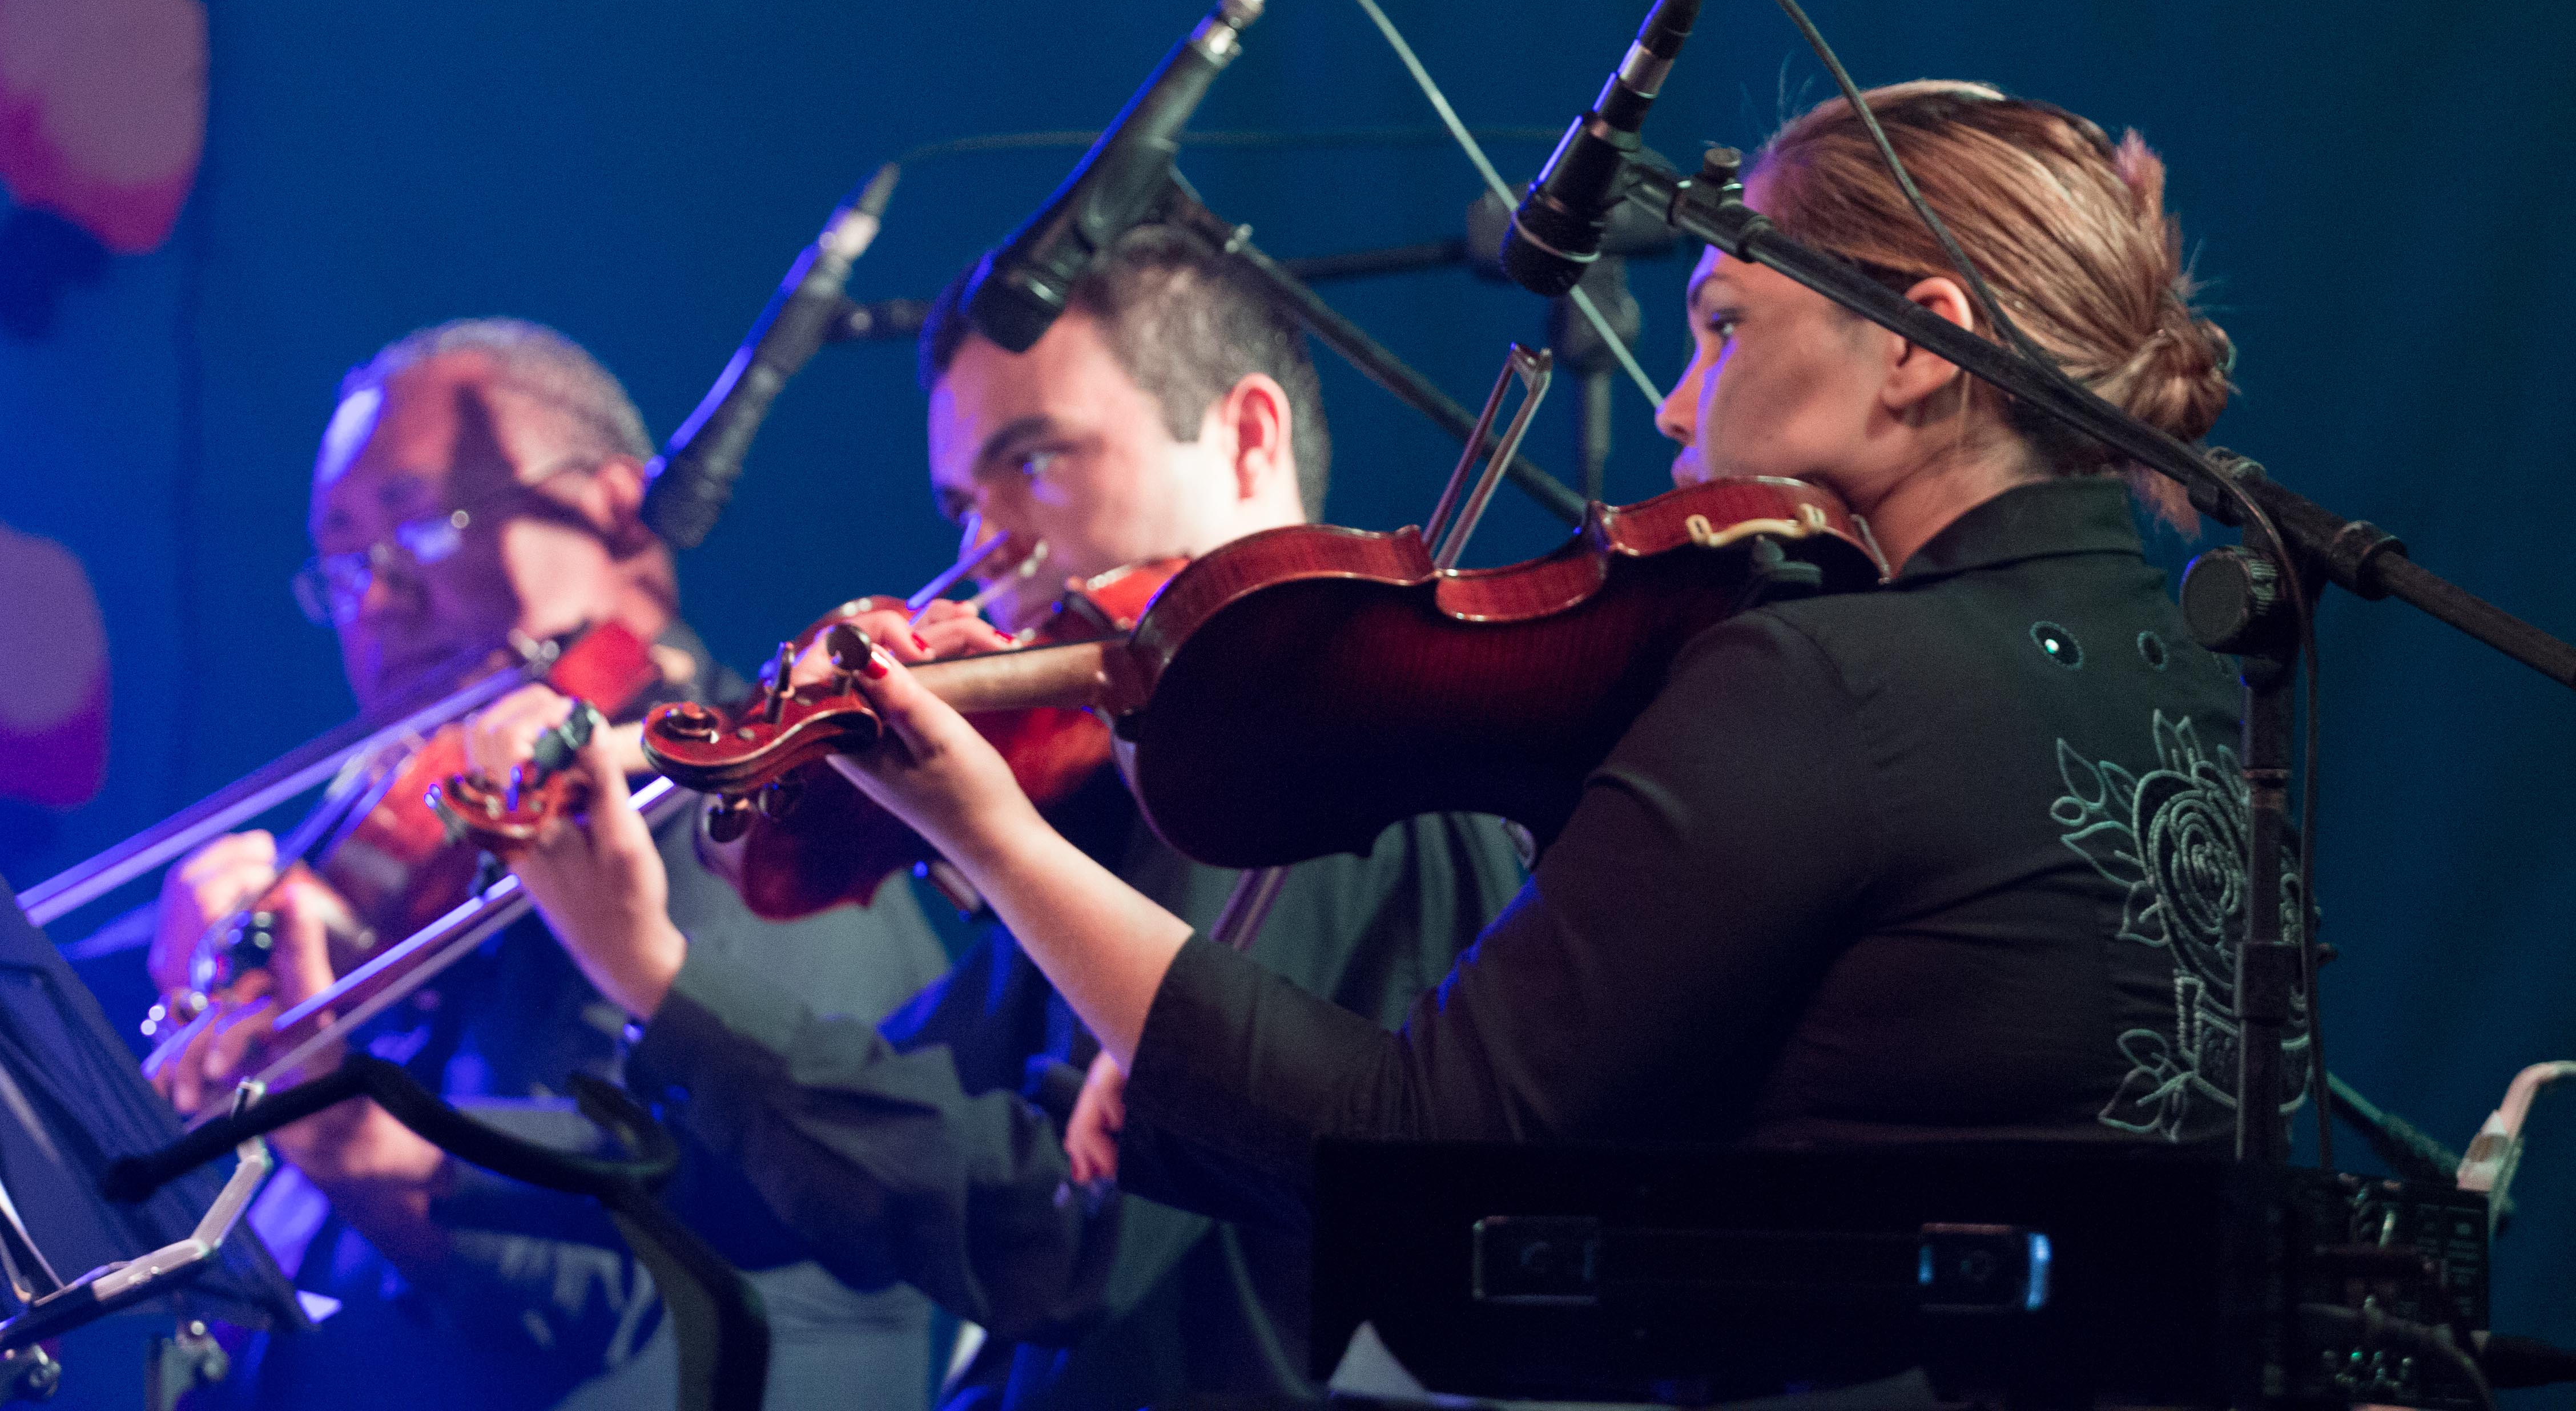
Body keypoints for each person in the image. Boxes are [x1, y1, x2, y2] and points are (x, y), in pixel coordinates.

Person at [771, 86, 2295, 1207]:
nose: (1674, 405)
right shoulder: (2204, 698)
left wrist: (989, 835)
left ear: (1912, 345)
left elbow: (1433, 1147)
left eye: (1723, 329)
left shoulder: (1827, 684)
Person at [469, 227, 1529, 1407]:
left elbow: (1057, 1240)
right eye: (964, 504)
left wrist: (663, 974)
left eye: (1036, 464)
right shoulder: (1118, 807)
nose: (986, 551)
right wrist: (410, 1142)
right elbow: (826, 1168)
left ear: (1246, 439)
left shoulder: (1314, 763)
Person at [147, 319, 955, 1411]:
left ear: (618, 509)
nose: (380, 602)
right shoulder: (421, 860)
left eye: (422, 529)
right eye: (345, 565)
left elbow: (617, 1292)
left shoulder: (753, 837)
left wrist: (343, 1141)